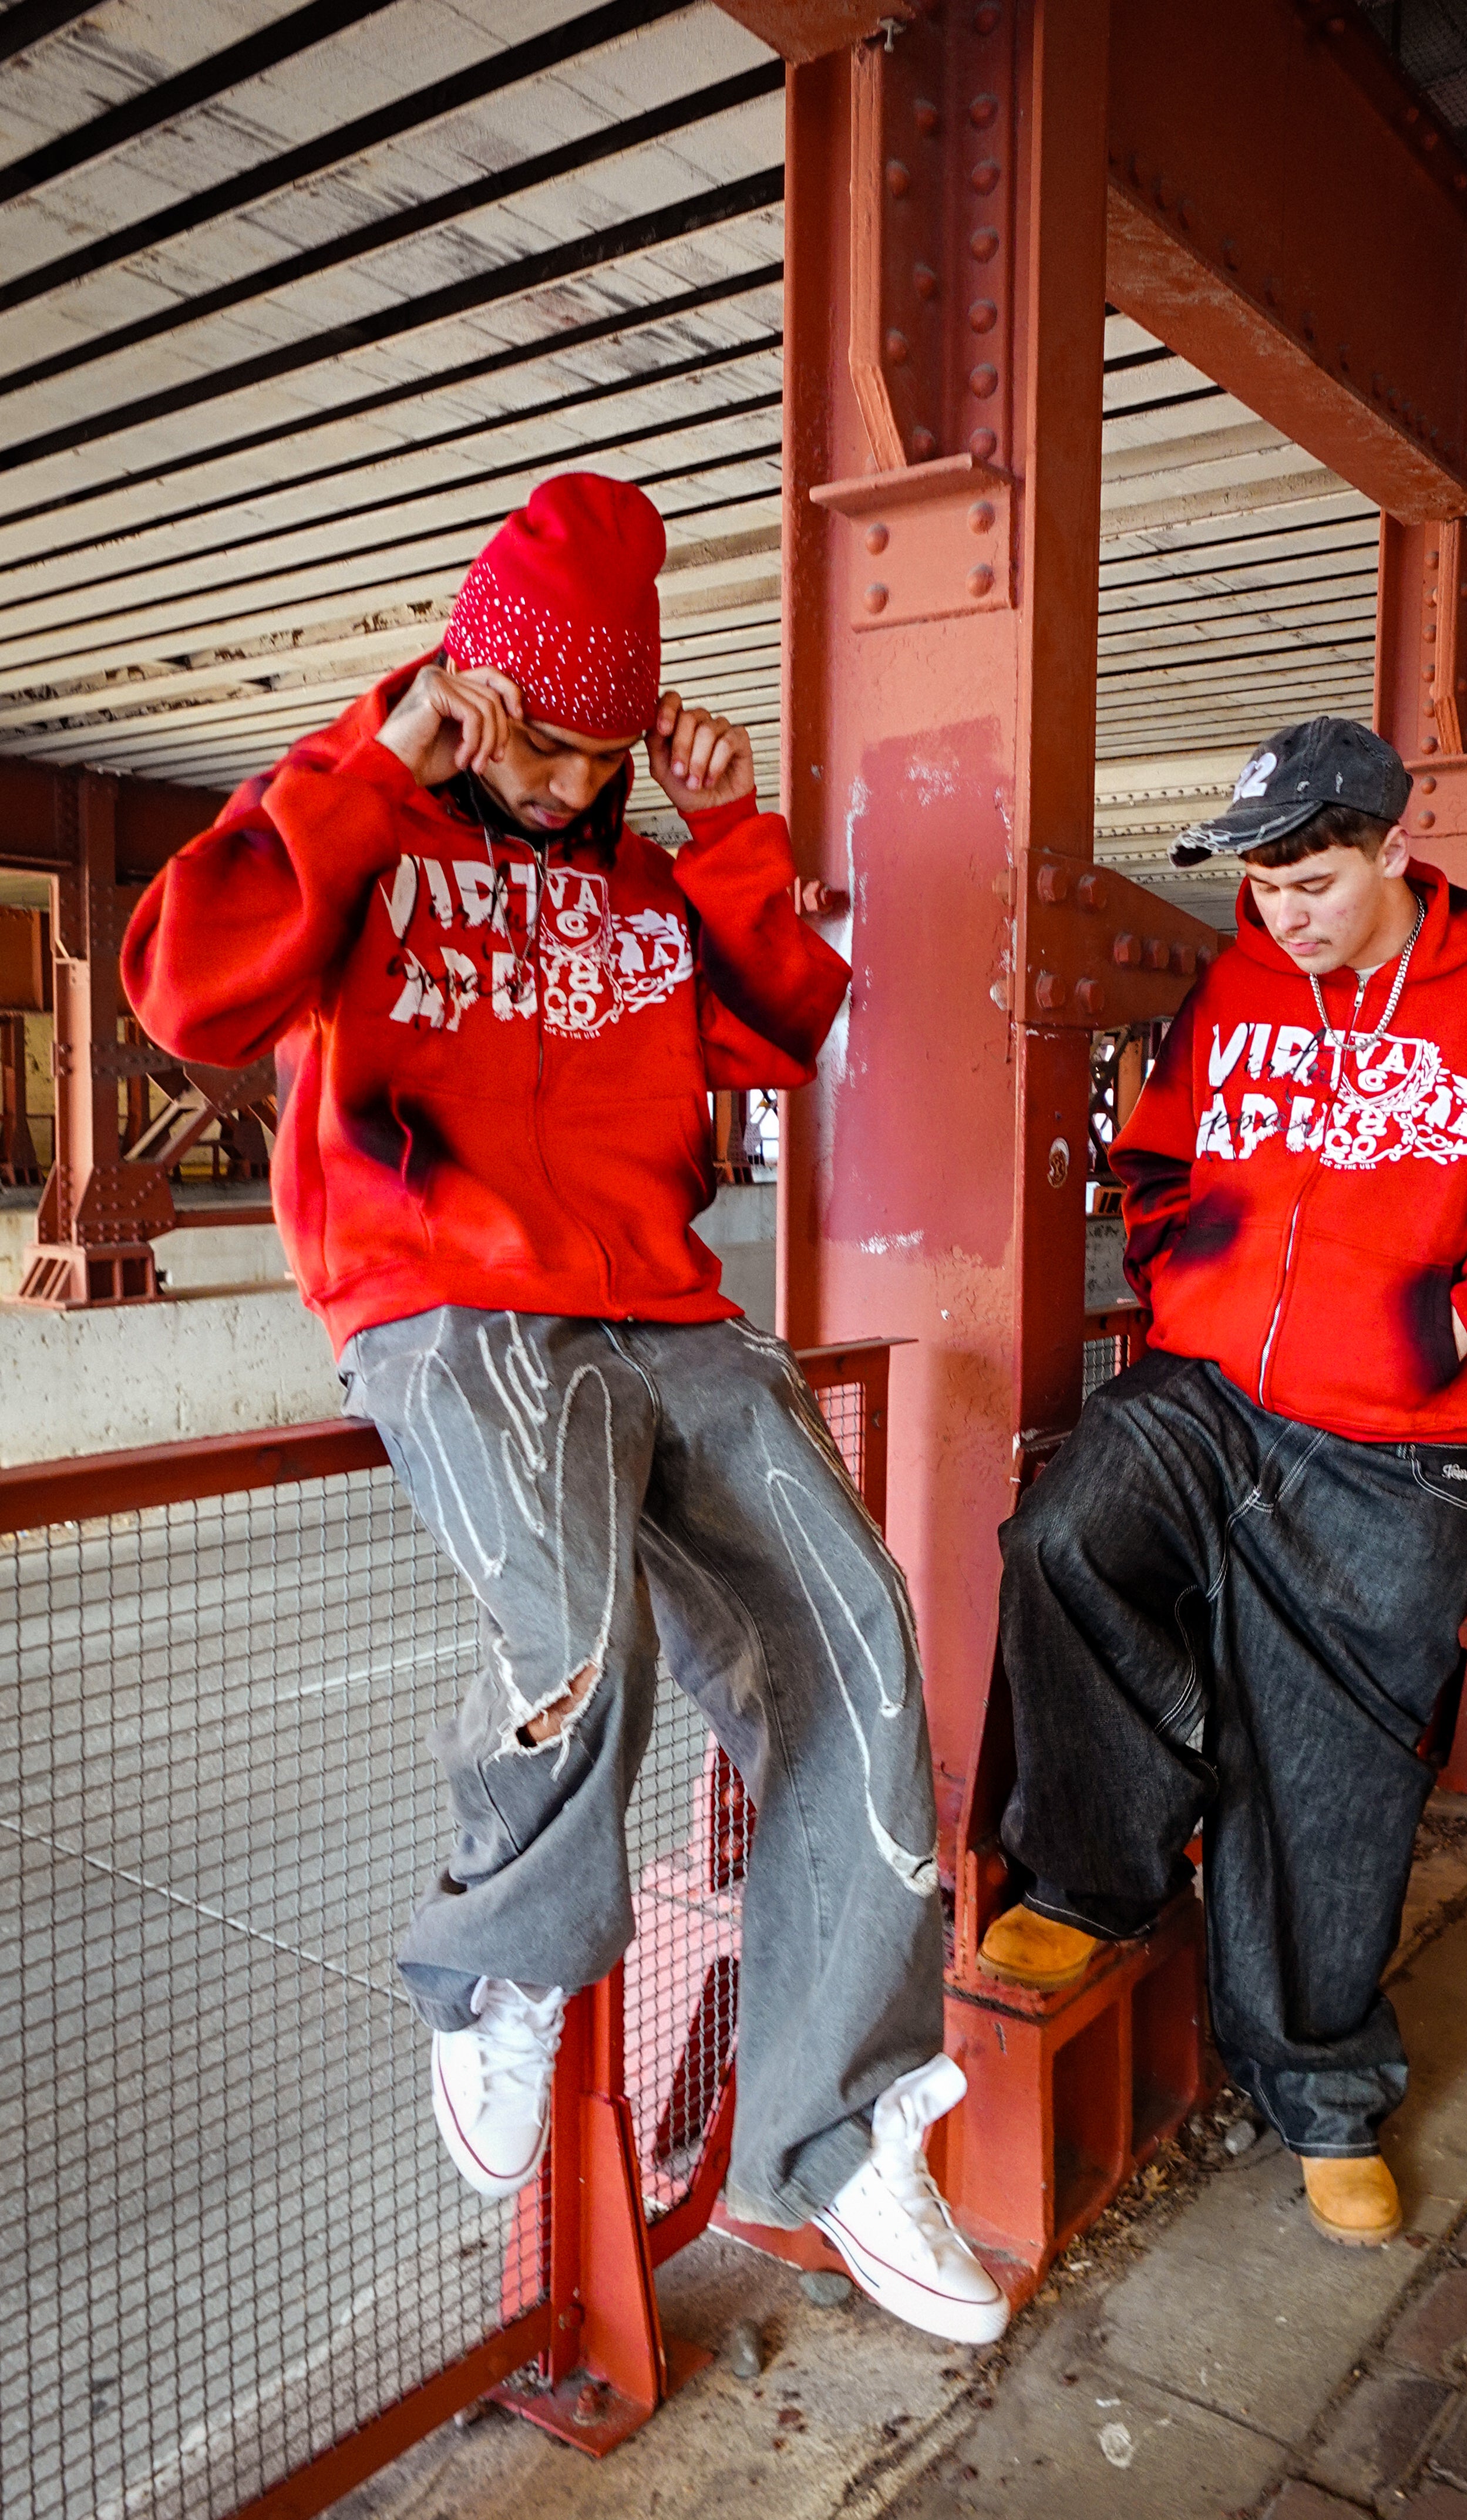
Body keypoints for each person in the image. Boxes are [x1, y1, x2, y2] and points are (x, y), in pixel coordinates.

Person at [123, 472, 1008, 2347]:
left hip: (664, 1307)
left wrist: (725, 821)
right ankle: (498, 1966)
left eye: (598, 750)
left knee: (856, 1636)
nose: (556, 783)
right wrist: (367, 769)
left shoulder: (639, 859)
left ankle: (839, 2129)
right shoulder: (355, 812)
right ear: (472, 688)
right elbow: (188, 995)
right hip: (444, 1298)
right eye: (536, 741)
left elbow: (782, 1026)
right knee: (572, 1618)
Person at [975, 716, 1467, 2247]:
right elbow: (1154, 1156)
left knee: (1336, 1784)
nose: (1283, 910)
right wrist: (1178, 1272)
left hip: (1394, 1452)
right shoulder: (1238, 987)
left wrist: (1457, 1320)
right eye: (1262, 884)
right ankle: (1094, 1878)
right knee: (1065, 1537)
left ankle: (1322, 2092)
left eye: (1311, 878)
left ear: (1392, 850)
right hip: (1211, 1391)